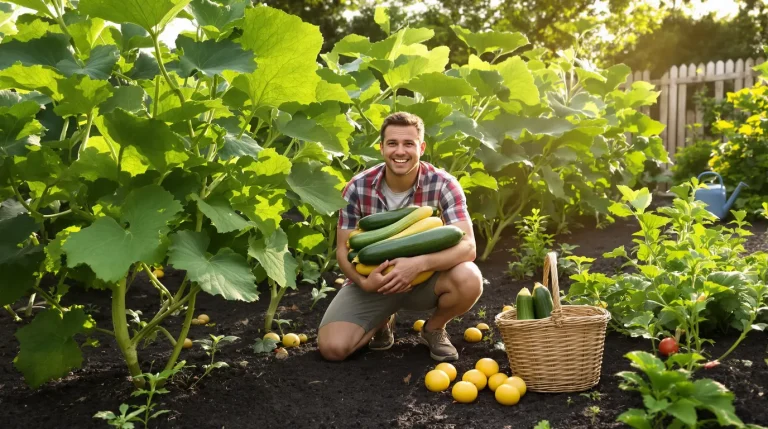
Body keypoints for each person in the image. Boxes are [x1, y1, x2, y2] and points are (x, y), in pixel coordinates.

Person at [317, 111, 483, 362]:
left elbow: (468, 246)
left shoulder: (444, 184)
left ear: (421, 148)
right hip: (373, 280)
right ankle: (382, 320)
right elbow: (343, 249)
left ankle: (433, 328)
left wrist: (418, 264)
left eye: (409, 144)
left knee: (469, 277)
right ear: (382, 147)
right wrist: (364, 283)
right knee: (333, 349)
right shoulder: (357, 187)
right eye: (392, 143)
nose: (400, 151)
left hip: (427, 278)